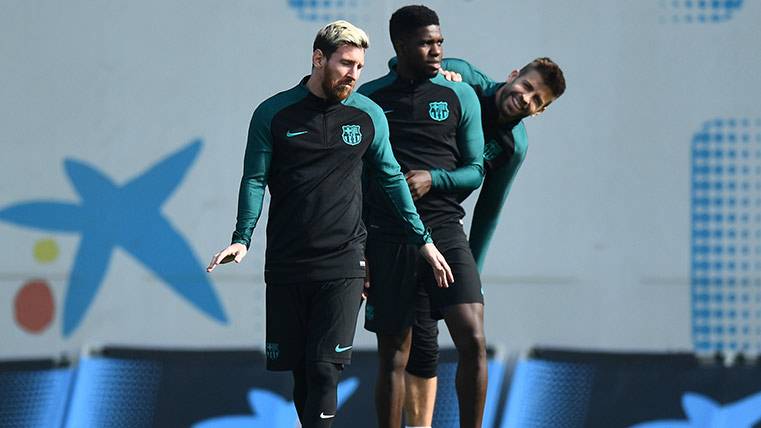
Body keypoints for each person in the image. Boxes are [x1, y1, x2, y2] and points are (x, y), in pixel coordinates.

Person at [206, 20, 453, 428]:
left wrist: (422, 240)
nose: (353, 74)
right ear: (318, 59)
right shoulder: (273, 113)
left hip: (344, 262)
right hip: (287, 263)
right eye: (345, 64)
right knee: (302, 374)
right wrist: (242, 238)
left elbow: (392, 179)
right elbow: (254, 179)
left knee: (324, 368)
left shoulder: (368, 115)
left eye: (359, 67)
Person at [403, 57, 567, 427]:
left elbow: (489, 211)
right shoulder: (466, 80)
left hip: (441, 223)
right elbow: (402, 62)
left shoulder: (513, 145)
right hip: (393, 212)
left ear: (540, 111)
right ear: (513, 76)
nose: (526, 99)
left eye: (537, 101)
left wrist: (471, 275)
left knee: (470, 337)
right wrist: (436, 78)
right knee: (402, 342)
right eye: (527, 87)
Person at [357, 6, 486, 428]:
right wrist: (362, 248)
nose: (437, 51)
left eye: (440, 42)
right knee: (394, 354)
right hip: (389, 237)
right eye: (426, 43)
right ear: (400, 45)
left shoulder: (460, 95)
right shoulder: (371, 99)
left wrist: (434, 179)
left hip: (446, 230)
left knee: (472, 338)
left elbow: (475, 170)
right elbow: (357, 180)